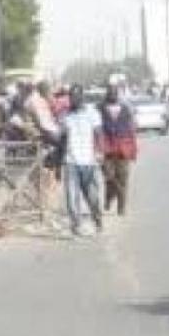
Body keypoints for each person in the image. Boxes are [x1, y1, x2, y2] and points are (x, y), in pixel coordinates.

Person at [60, 85, 104, 236]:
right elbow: (62, 137)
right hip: (71, 161)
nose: (73, 99)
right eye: (71, 97)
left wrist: (100, 153)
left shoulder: (92, 113)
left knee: (92, 197)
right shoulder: (65, 115)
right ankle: (76, 225)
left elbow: (98, 134)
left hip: (89, 161)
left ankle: (97, 220)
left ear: (81, 97)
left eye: (76, 96)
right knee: (72, 197)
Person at [99, 83, 137, 215]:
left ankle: (122, 207)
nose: (112, 94)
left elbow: (131, 130)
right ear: (106, 94)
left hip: (123, 150)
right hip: (107, 150)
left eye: (115, 92)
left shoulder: (126, 109)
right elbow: (96, 131)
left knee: (123, 178)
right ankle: (109, 198)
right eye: (110, 92)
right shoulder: (100, 109)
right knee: (109, 178)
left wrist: (133, 151)